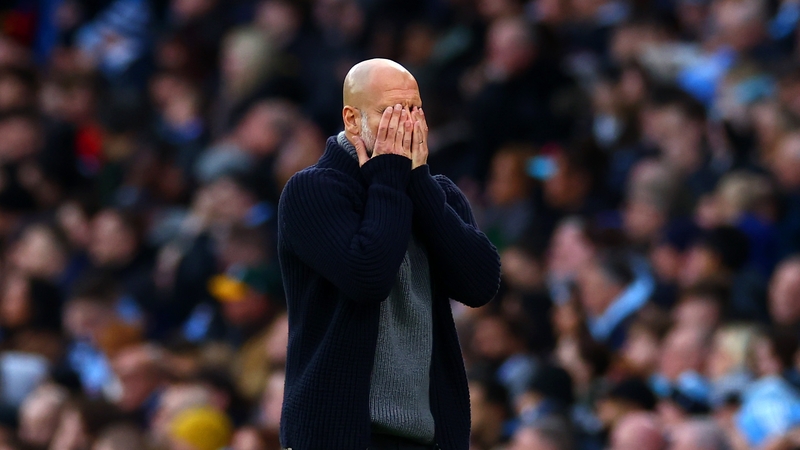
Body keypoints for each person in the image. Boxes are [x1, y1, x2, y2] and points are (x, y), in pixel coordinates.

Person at [277, 58, 501, 449]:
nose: (405, 124)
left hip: (428, 438)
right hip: (336, 437)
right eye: (390, 112)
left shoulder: (438, 193)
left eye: (413, 110)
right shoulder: (312, 191)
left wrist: (418, 183)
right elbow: (368, 275)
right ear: (352, 120)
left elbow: (480, 284)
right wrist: (390, 178)